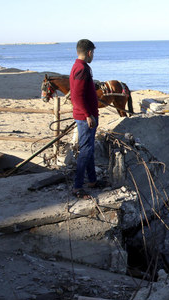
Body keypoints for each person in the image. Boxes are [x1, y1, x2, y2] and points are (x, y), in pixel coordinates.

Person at [70, 39, 105, 199]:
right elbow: (76, 96)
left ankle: (92, 180)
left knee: (89, 149)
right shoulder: (81, 69)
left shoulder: (80, 67)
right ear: (89, 52)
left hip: (87, 115)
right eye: (93, 53)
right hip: (86, 117)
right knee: (85, 151)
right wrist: (87, 115)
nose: (93, 56)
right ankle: (77, 187)